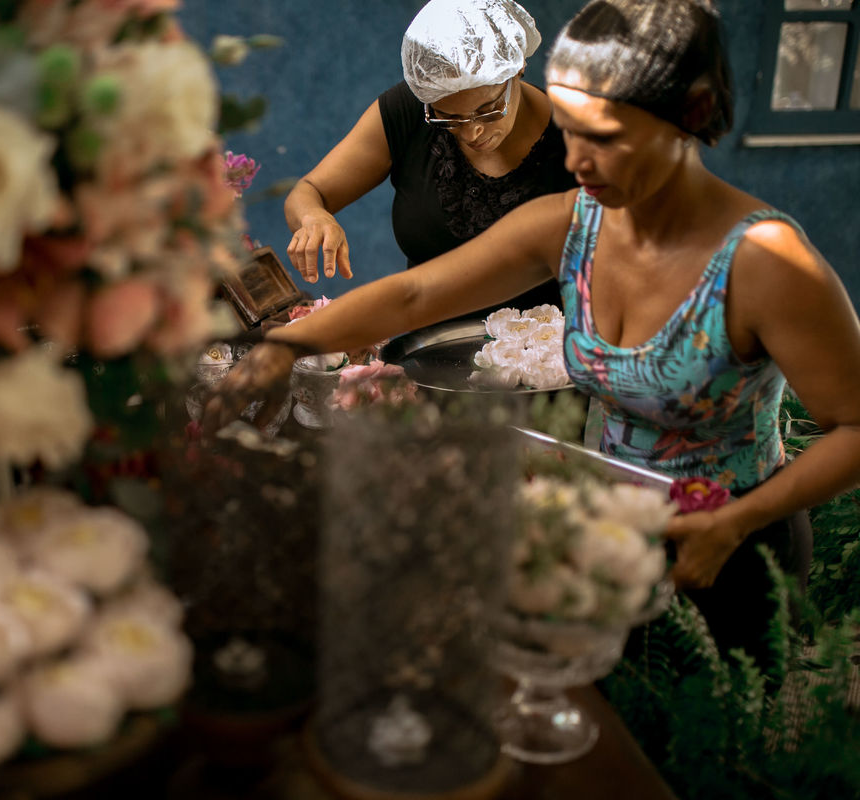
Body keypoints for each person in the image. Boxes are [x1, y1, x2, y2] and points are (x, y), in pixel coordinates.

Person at [208, 0, 860, 671]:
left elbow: (854, 428)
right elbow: (414, 295)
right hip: (609, 542)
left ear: (691, 115)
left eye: (605, 137)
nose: (577, 162)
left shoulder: (769, 264)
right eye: (572, 133)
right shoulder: (570, 224)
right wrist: (286, 347)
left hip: (732, 551)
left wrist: (736, 522)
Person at [283, 0, 574, 324]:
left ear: (518, 66)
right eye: (448, 117)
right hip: (425, 353)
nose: (471, 132)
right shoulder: (407, 112)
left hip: (549, 359)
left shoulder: (577, 140)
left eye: (488, 110)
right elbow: (309, 190)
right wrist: (313, 217)